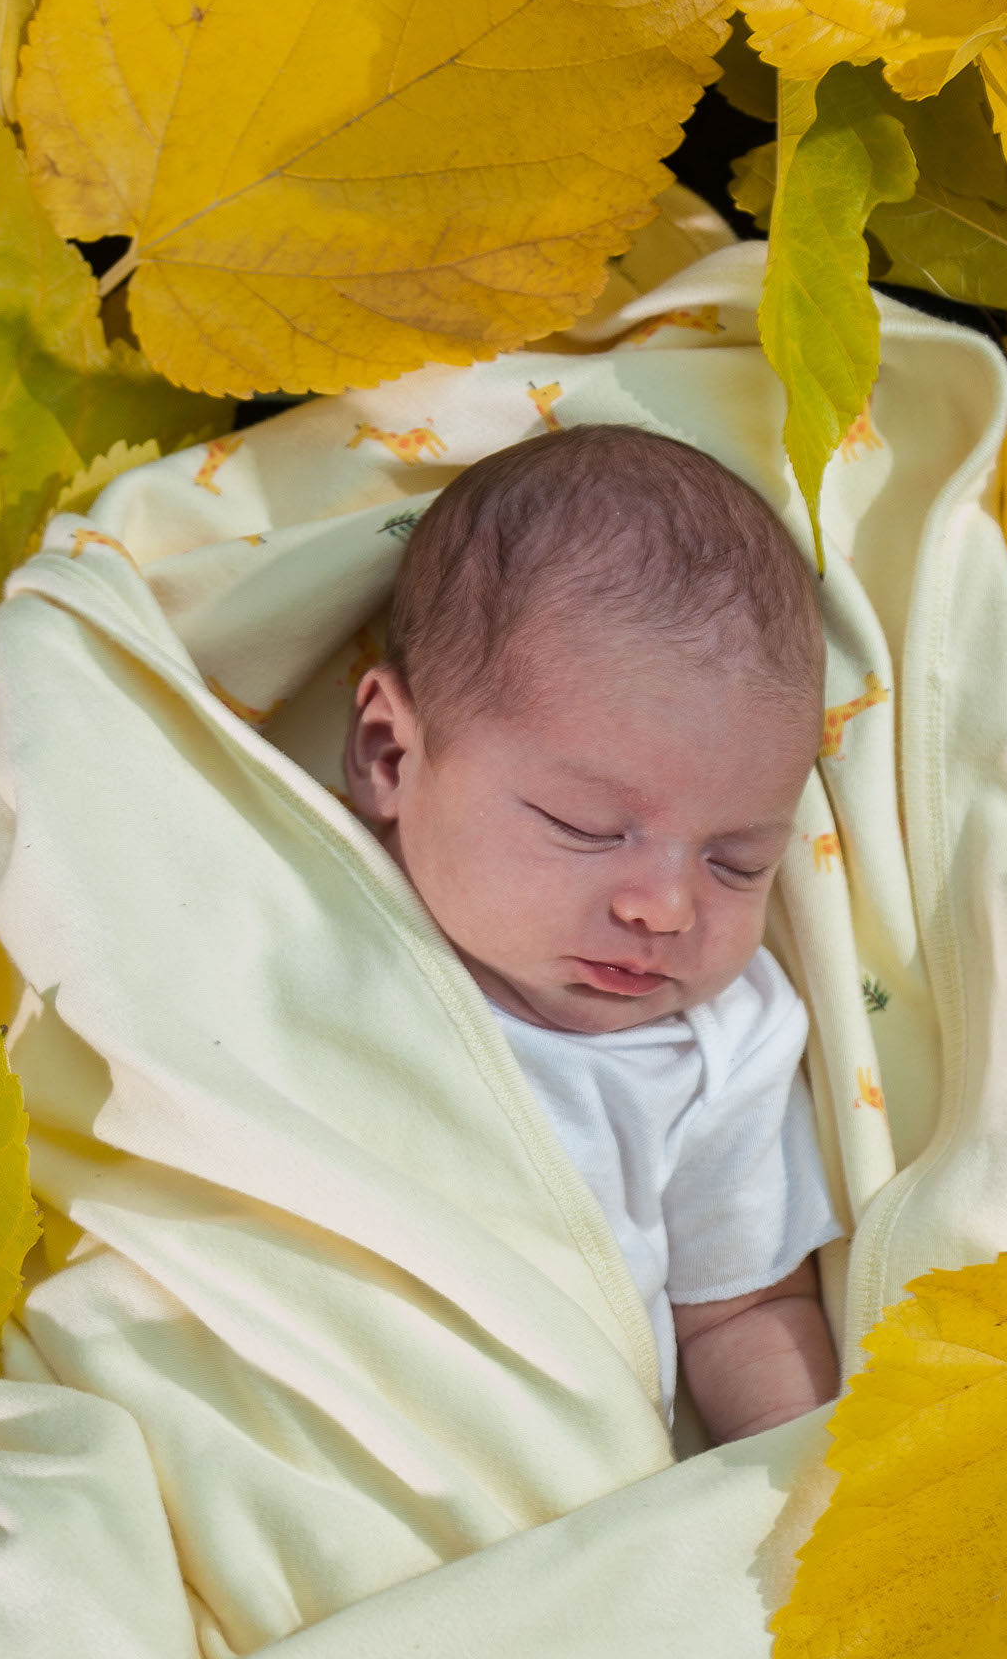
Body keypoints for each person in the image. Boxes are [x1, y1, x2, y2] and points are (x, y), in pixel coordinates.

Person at [340, 422, 842, 1443]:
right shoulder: (300, 890)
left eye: (735, 861)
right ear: (390, 756)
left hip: (547, 1482)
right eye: (585, 829)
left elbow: (744, 1307)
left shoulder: (715, 1050)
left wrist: (809, 1491)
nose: (663, 907)